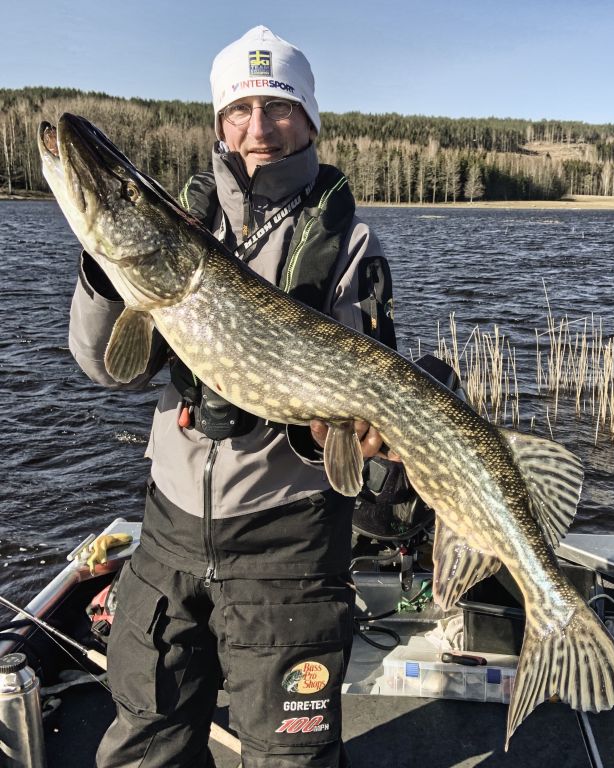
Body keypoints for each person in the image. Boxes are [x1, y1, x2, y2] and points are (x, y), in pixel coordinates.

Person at [69, 25, 396, 768]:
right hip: (171, 531)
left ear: (308, 120)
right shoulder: (183, 223)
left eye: (279, 107)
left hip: (290, 541)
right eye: (240, 110)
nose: (260, 129)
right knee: (146, 741)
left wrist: (341, 433)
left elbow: (352, 398)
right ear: (221, 123)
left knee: (288, 759)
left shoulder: (350, 242)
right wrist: (100, 270)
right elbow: (109, 368)